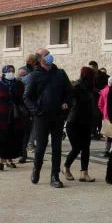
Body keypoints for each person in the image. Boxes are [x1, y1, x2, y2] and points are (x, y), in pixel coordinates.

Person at [24, 48, 73, 188]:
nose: (50, 56)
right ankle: (36, 169)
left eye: (49, 53)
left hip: (58, 115)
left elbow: (70, 92)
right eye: (46, 54)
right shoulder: (34, 75)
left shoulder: (60, 73)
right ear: (40, 59)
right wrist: (37, 110)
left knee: (57, 147)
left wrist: (67, 103)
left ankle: (55, 176)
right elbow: (27, 97)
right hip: (42, 117)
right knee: (41, 146)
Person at [0, 65, 26, 171]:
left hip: (15, 117)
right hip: (0, 118)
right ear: (4, 72)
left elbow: (22, 99)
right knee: (0, 138)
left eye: (12, 71)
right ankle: (0, 161)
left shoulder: (19, 85)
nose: (11, 73)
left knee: (12, 138)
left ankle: (9, 160)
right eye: (9, 71)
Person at [63, 66, 98, 183]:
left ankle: (84, 173)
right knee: (77, 147)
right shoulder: (76, 87)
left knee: (86, 148)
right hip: (74, 122)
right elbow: (68, 100)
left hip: (86, 122)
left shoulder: (91, 89)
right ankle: (66, 167)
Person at [20, 54, 40, 158]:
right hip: (27, 102)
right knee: (29, 125)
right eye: (27, 60)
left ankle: (30, 143)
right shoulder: (23, 70)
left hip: (35, 101)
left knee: (35, 124)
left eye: (30, 60)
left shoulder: (37, 70)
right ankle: (28, 144)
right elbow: (20, 81)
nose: (28, 62)